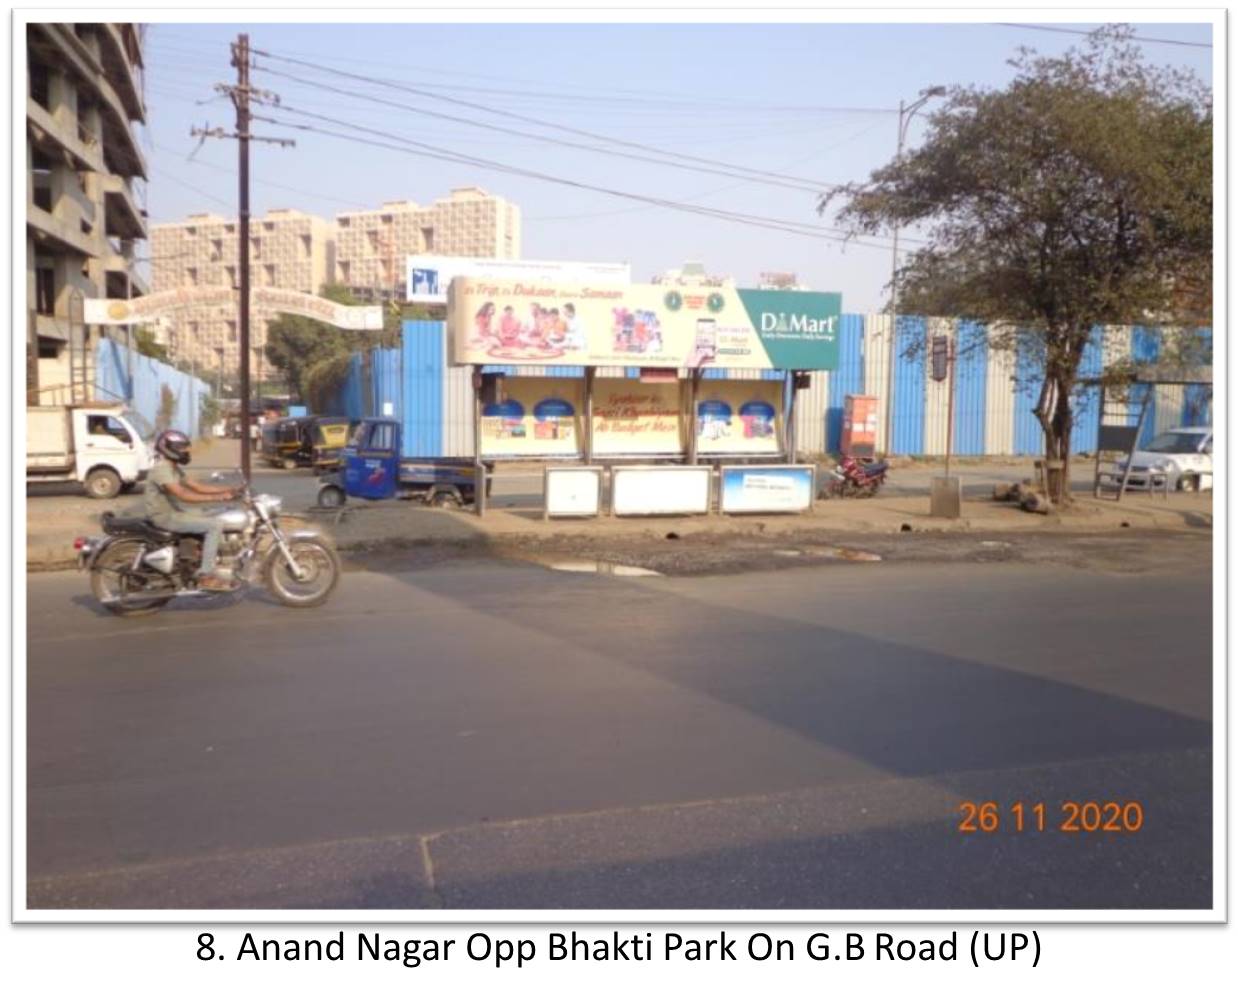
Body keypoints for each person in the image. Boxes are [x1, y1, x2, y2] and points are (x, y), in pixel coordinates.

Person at [144, 429, 242, 591]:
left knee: (218, 512)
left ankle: (201, 555)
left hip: (176, 511)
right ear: (170, 449)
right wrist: (217, 497)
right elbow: (183, 494)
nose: (185, 452)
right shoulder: (162, 469)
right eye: (181, 449)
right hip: (165, 516)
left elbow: (196, 486)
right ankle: (206, 575)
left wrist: (229, 490)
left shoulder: (173, 467)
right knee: (214, 525)